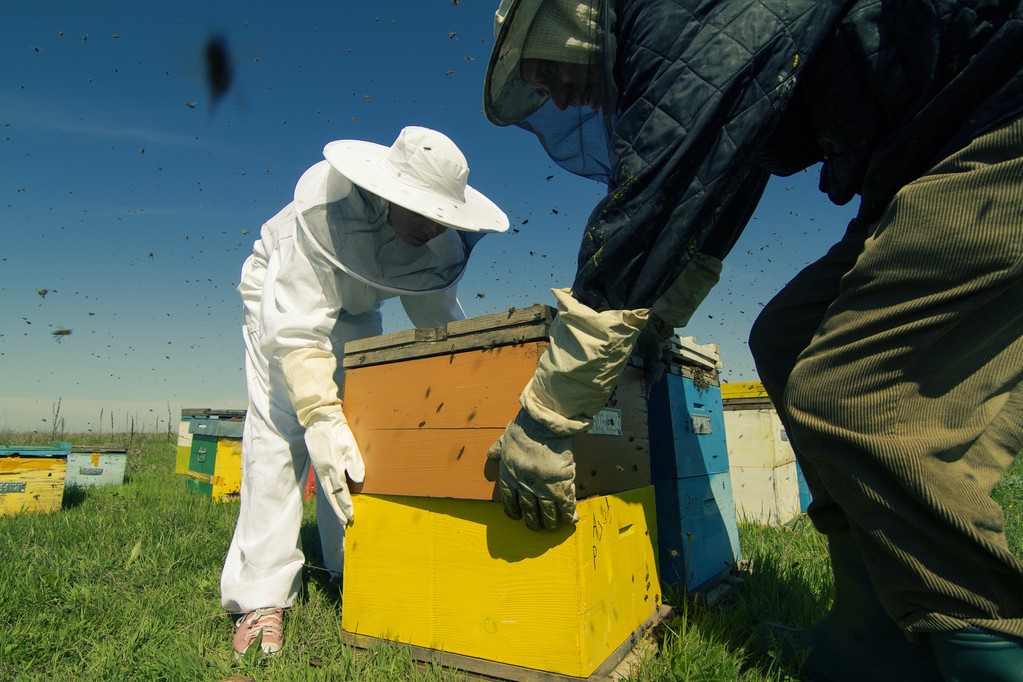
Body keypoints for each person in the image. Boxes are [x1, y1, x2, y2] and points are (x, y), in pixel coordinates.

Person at [482, 0, 1023, 679]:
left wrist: (547, 413)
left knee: (854, 394)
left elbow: (657, 198)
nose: (553, 93)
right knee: (787, 337)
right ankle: (870, 632)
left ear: (569, 19)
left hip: (999, 115)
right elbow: (711, 201)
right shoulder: (703, 39)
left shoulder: (678, 14)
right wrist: (654, 324)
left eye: (545, 70)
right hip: (931, 151)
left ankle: (988, 643)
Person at [220, 126, 508, 657]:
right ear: (391, 191)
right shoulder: (325, 214)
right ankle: (261, 598)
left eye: (439, 215)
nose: (430, 225)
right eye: (420, 210)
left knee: (361, 433)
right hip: (279, 300)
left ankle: (344, 566)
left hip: (356, 309)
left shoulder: (433, 240)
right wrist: (319, 414)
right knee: (284, 436)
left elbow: (439, 326)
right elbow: (300, 332)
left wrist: (481, 390)